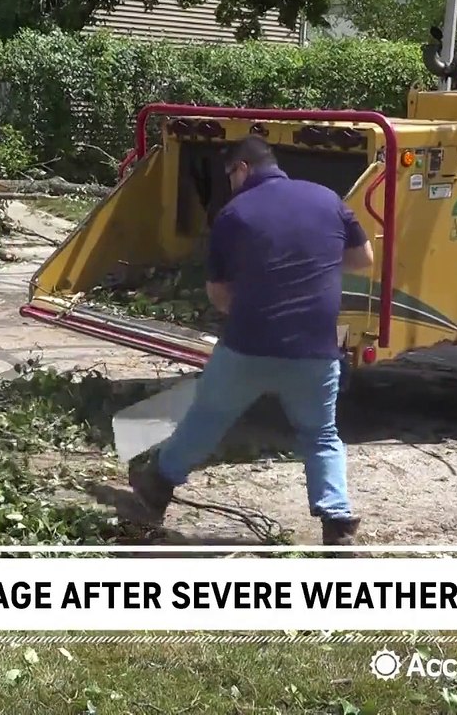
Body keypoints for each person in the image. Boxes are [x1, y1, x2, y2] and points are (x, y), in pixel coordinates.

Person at [128, 134, 374, 546]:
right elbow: (364, 258)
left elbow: (219, 294)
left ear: (242, 168)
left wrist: (251, 303)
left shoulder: (234, 212)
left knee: (208, 416)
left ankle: (156, 487)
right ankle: (337, 527)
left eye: (229, 175)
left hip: (249, 345)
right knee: (321, 435)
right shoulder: (327, 199)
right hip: (315, 350)